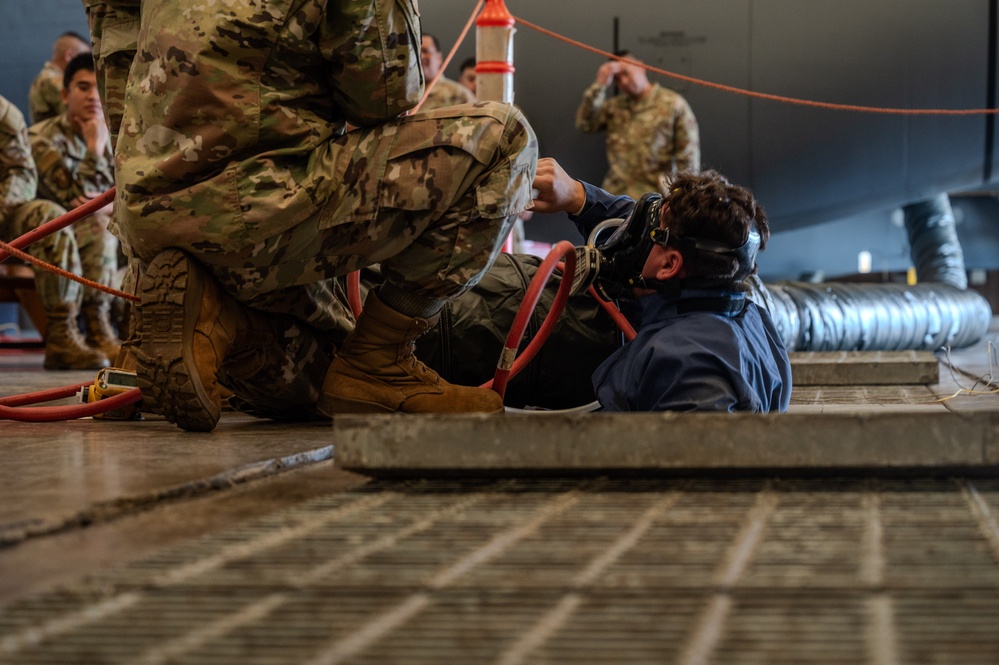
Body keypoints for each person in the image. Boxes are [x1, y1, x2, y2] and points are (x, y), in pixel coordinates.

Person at [81, 0, 537, 432]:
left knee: (316, 377)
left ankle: (216, 324)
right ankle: (380, 359)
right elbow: (382, 95)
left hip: (147, 213)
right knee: (504, 140)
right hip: (257, 207)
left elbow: (114, 53)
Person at [532, 157, 791, 412]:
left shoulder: (690, 369)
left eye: (649, 233)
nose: (637, 240)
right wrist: (580, 197)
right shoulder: (745, 315)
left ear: (669, 265)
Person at [0, 94, 109, 370]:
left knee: (50, 217)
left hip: (4, 212)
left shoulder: (5, 114)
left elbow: (22, 172)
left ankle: (62, 335)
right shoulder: (47, 136)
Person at [29, 52, 121, 363]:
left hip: (101, 237)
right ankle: (88, 329)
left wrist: (109, 210)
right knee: (97, 226)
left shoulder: (119, 138)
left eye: (99, 88)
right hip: (52, 239)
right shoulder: (41, 139)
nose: (93, 96)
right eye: (83, 87)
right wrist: (94, 150)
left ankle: (119, 326)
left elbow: (129, 199)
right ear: (66, 94)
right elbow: (80, 203)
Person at [575, 51, 700, 200]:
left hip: (655, 199)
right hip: (616, 197)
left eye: (626, 73)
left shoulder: (673, 105)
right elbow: (584, 123)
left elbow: (688, 161)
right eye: (617, 79)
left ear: (641, 66)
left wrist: (681, 199)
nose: (624, 82)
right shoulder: (614, 107)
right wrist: (600, 85)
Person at [28, 31, 91, 125]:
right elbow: (78, 116)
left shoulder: (45, 78)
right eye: (83, 59)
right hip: (54, 138)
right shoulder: (51, 80)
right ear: (69, 56)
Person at [420, 34, 476, 110]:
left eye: (426, 51)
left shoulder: (459, 94)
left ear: (439, 58)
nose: (421, 56)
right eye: (416, 52)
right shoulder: (404, 96)